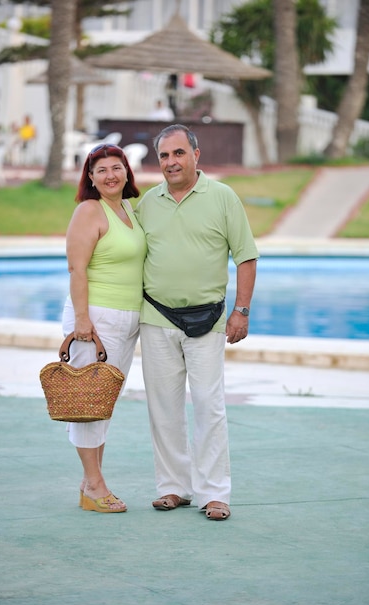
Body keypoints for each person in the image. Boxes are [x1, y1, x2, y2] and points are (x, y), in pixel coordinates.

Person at [135, 124, 259, 521]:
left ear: (195, 155)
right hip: (156, 317)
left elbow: (246, 256)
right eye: (164, 156)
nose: (171, 162)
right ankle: (173, 488)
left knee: (209, 405)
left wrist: (241, 310)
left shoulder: (223, 197)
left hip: (209, 319)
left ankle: (214, 493)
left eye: (178, 153)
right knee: (163, 408)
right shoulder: (147, 203)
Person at [62, 143, 147, 513]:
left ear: (127, 171)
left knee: (102, 403)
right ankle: (95, 486)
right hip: (95, 319)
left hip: (126, 319)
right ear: (91, 179)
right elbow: (77, 269)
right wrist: (83, 321)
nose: (110, 175)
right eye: (101, 170)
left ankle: (90, 483)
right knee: (87, 403)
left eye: (117, 167)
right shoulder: (89, 211)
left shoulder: (128, 208)